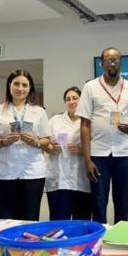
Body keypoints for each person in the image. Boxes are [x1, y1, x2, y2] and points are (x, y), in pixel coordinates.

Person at [77, 47, 128, 224]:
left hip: (124, 155)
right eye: (108, 59)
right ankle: (99, 244)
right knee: (98, 203)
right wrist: (87, 160)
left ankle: (119, 242)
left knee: (122, 203)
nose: (112, 62)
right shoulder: (90, 87)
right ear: (102, 63)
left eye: (115, 59)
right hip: (99, 155)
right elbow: (84, 124)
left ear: (121, 63)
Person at [0, 69, 50, 221]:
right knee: (3, 218)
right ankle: (5, 245)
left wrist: (36, 142)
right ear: (9, 86)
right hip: (4, 172)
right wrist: (3, 142)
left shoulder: (39, 111)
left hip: (32, 172)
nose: (20, 88)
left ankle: (27, 245)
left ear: (30, 89)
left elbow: (46, 140)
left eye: (24, 85)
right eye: (16, 84)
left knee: (29, 217)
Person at [44, 86, 91, 220]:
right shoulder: (55, 120)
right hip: (58, 180)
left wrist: (83, 150)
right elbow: (44, 142)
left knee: (81, 222)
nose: (72, 102)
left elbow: (99, 146)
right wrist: (51, 147)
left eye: (75, 98)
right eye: (68, 99)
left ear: (82, 100)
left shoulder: (88, 121)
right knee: (58, 221)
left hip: (81, 180)